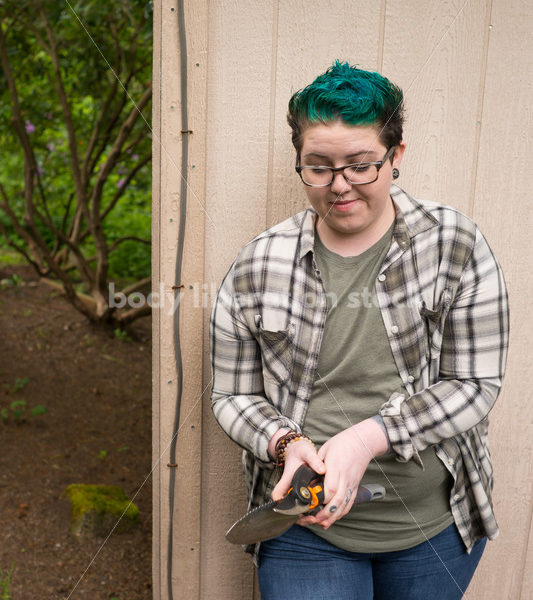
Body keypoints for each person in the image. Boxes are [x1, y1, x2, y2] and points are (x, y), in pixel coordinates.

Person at [210, 60, 509, 599]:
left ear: (395, 157)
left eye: (360, 165)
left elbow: (475, 384)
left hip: (433, 525)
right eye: (319, 167)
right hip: (304, 528)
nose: (339, 186)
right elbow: (232, 394)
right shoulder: (257, 264)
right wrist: (284, 441)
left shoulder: (456, 246)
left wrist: (368, 437)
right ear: (299, 161)